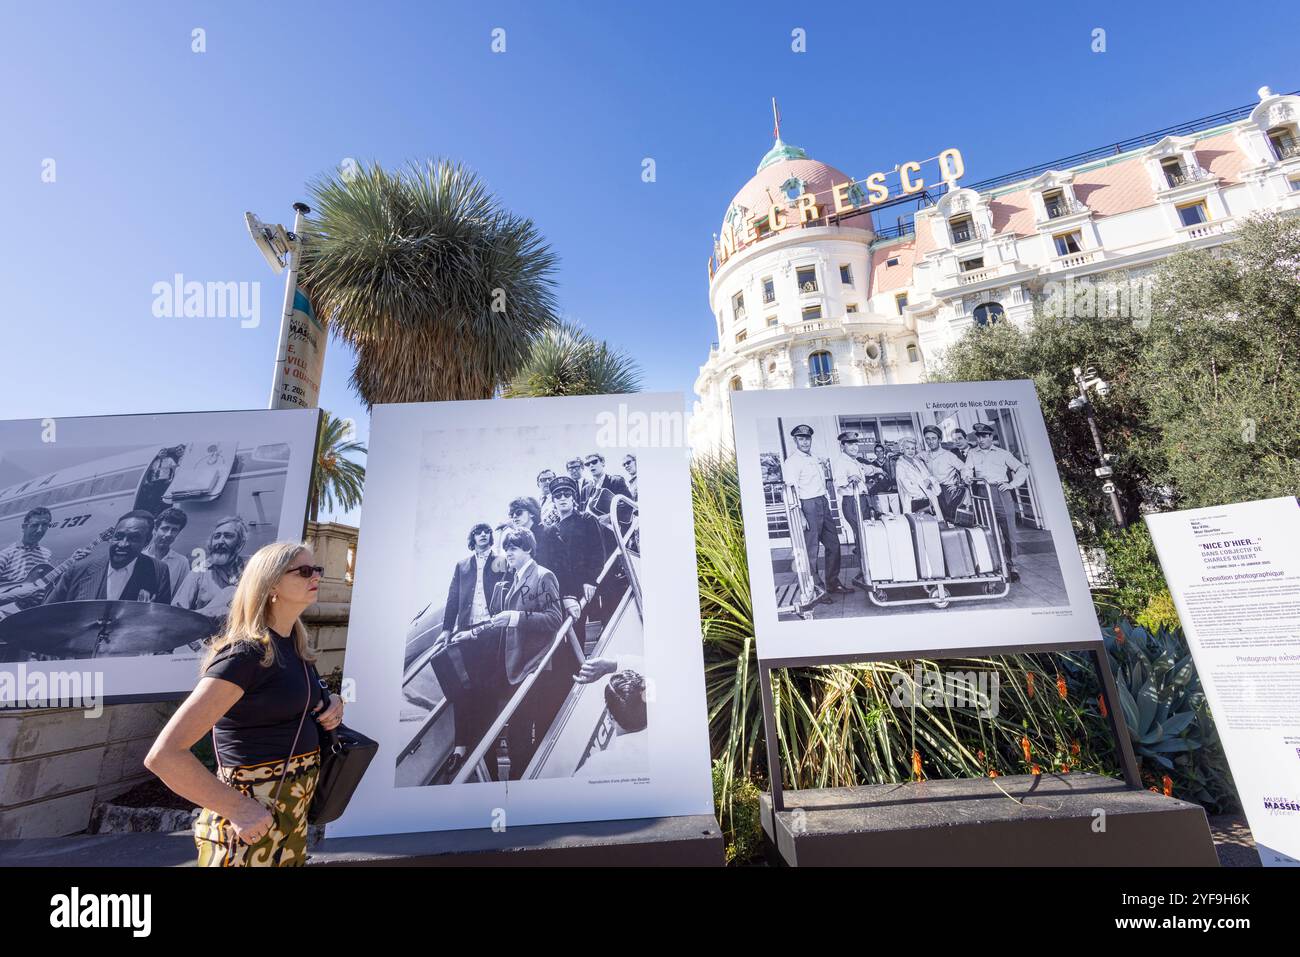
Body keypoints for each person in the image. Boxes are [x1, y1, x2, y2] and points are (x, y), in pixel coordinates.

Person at [145, 542, 343, 867]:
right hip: (252, 826)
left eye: (317, 569)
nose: (316, 576)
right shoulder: (245, 655)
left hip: (289, 819)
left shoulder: (295, 646)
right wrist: (239, 809)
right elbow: (164, 755)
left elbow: (289, 705)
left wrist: (331, 703)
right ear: (272, 584)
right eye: (304, 571)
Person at [429, 528, 563, 780]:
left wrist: (516, 617)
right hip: (509, 664)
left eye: (513, 548)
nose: (507, 553)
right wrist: (470, 634)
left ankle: (517, 786)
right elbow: (497, 620)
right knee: (506, 726)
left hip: (529, 665)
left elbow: (555, 619)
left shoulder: (544, 576)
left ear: (528, 549)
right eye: (506, 548)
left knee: (521, 730)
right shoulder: (511, 579)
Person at [43, 510, 172, 604]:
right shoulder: (78, 569)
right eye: (119, 536)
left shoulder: (159, 571)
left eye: (133, 538)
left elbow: (160, 621)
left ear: (147, 541)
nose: (122, 544)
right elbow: (47, 613)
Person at [782, 424, 846, 598]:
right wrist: (801, 516)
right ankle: (816, 589)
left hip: (822, 502)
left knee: (834, 544)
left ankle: (832, 582)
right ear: (795, 440)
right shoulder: (792, 462)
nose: (805, 442)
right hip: (807, 506)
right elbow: (791, 491)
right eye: (801, 439)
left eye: (807, 438)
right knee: (811, 550)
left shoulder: (814, 457)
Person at [961, 422, 1029, 583]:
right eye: (978, 436)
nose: (981, 439)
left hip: (1001, 493)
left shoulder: (1002, 454)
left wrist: (1012, 485)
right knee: (988, 532)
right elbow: (966, 469)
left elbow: (1022, 469)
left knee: (1009, 533)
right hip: (983, 493)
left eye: (984, 436)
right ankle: (996, 565)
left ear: (991, 437)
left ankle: (1012, 567)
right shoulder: (972, 453)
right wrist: (966, 476)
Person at [544, 476, 607, 644]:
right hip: (561, 590)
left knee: (576, 633)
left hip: (581, 587)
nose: (562, 498)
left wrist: (590, 580)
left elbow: (597, 552)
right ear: (553, 500)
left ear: (573, 497)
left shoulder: (586, 520)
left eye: (566, 494)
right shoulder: (552, 529)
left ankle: (578, 669)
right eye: (558, 495)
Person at [434, 522, 505, 645]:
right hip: (465, 628)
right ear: (473, 537)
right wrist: (447, 629)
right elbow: (453, 598)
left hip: (493, 627)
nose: (483, 534)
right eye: (478, 532)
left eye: (487, 531)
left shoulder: (502, 561)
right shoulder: (461, 566)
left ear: (490, 535)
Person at [172, 516, 249, 622]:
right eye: (217, 536)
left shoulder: (250, 573)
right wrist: (210, 613)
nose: (220, 541)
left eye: (228, 536)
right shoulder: (199, 572)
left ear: (240, 543)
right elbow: (176, 614)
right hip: (204, 635)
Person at [831, 431, 882, 588]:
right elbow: (838, 481)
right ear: (842, 446)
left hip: (861, 500)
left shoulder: (853, 461)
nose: (854, 447)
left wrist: (879, 469)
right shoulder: (841, 462)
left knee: (864, 536)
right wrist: (849, 479)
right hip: (852, 502)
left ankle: (866, 569)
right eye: (850, 444)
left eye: (855, 443)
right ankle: (865, 571)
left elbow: (866, 469)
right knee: (861, 536)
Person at [0, 508, 56, 599]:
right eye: (35, 525)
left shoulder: (46, 554)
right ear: (24, 527)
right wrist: (17, 595)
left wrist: (74, 561)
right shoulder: (5, 555)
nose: (40, 530)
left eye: (45, 525)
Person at [919, 425, 968, 522]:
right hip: (933, 491)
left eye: (933, 438)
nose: (930, 441)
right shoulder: (924, 455)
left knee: (951, 520)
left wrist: (960, 484)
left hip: (948, 493)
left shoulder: (948, 455)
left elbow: (965, 468)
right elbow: (912, 460)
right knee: (937, 521)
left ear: (939, 439)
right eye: (927, 439)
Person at [582, 453, 634, 543]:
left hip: (612, 535)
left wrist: (610, 517)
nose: (591, 465)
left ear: (603, 463)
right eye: (587, 464)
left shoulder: (616, 481)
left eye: (594, 462)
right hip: (591, 535)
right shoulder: (586, 489)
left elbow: (628, 505)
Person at [145, 507, 193, 598]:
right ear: (155, 528)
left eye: (174, 530)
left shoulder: (182, 562)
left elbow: (180, 595)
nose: (168, 534)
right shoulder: (140, 556)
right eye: (165, 528)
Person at [893, 437, 944, 518]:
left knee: (934, 524)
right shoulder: (900, 465)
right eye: (907, 448)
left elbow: (930, 477)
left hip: (929, 499)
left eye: (913, 448)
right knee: (920, 525)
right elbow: (907, 487)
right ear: (902, 449)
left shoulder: (918, 462)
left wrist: (929, 480)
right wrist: (924, 485)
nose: (910, 451)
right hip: (914, 502)